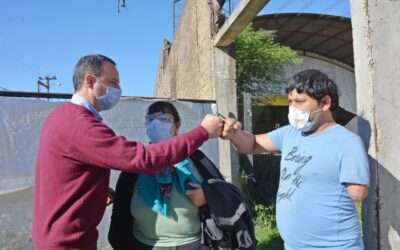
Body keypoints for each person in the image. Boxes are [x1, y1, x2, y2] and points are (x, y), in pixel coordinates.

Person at [31, 54, 223, 250]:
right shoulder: (80, 125)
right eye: (112, 82)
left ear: (176, 124)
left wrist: (95, 192)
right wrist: (203, 132)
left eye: (164, 119)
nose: (118, 90)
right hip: (68, 243)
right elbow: (143, 159)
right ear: (89, 80)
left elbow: (65, 173)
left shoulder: (63, 117)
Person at [222, 69, 370, 249]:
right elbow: (252, 144)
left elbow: (358, 193)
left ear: (325, 102)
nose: (292, 108)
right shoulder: (290, 133)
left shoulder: (347, 142)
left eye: (300, 102)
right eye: (290, 102)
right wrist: (235, 135)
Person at [108, 101, 256, 250]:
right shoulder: (138, 160)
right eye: (151, 120)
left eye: (164, 119)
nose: (155, 124)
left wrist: (208, 195)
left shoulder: (196, 158)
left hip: (193, 244)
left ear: (177, 125)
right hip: (143, 245)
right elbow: (121, 207)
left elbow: (226, 192)